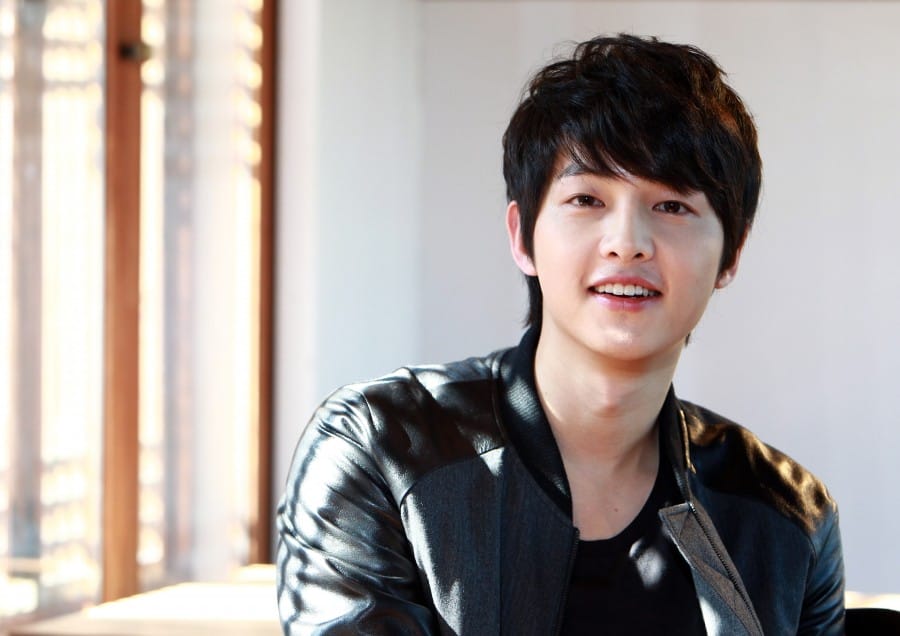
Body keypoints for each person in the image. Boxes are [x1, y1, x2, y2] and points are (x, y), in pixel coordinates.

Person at [276, 34, 845, 635]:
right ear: (522, 236)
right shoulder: (379, 449)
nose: (627, 243)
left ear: (731, 253)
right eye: (587, 198)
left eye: (673, 206)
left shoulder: (789, 519)